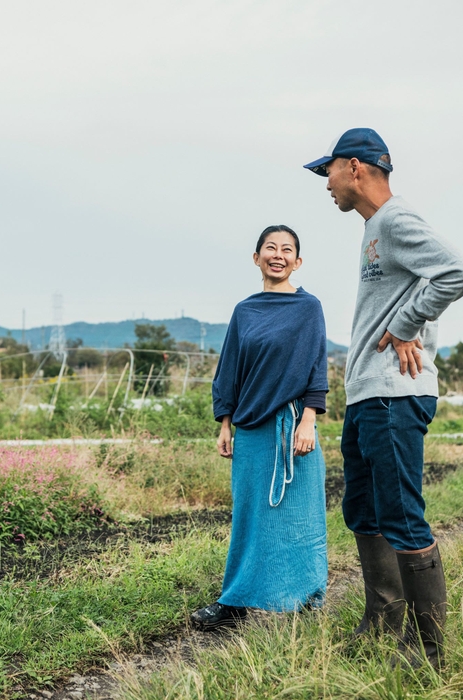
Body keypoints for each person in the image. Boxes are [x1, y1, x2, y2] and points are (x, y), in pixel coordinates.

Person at [304, 128, 463, 667]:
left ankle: (427, 651)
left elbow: (454, 270)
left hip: (396, 395)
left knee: (400, 515)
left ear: (354, 168)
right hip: (370, 394)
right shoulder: (374, 230)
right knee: (364, 510)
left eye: (328, 170)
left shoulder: (395, 219)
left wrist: (405, 324)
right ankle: (381, 622)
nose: (325, 183)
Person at [190, 225, 329, 629]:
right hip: (251, 428)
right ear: (257, 258)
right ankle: (235, 602)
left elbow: (317, 368)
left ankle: (307, 600)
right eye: (270, 248)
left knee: (302, 518)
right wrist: (224, 423)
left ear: (297, 261)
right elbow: (228, 370)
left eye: (287, 250)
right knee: (249, 517)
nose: (278, 255)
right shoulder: (245, 311)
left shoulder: (309, 308)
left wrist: (309, 421)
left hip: (295, 427)